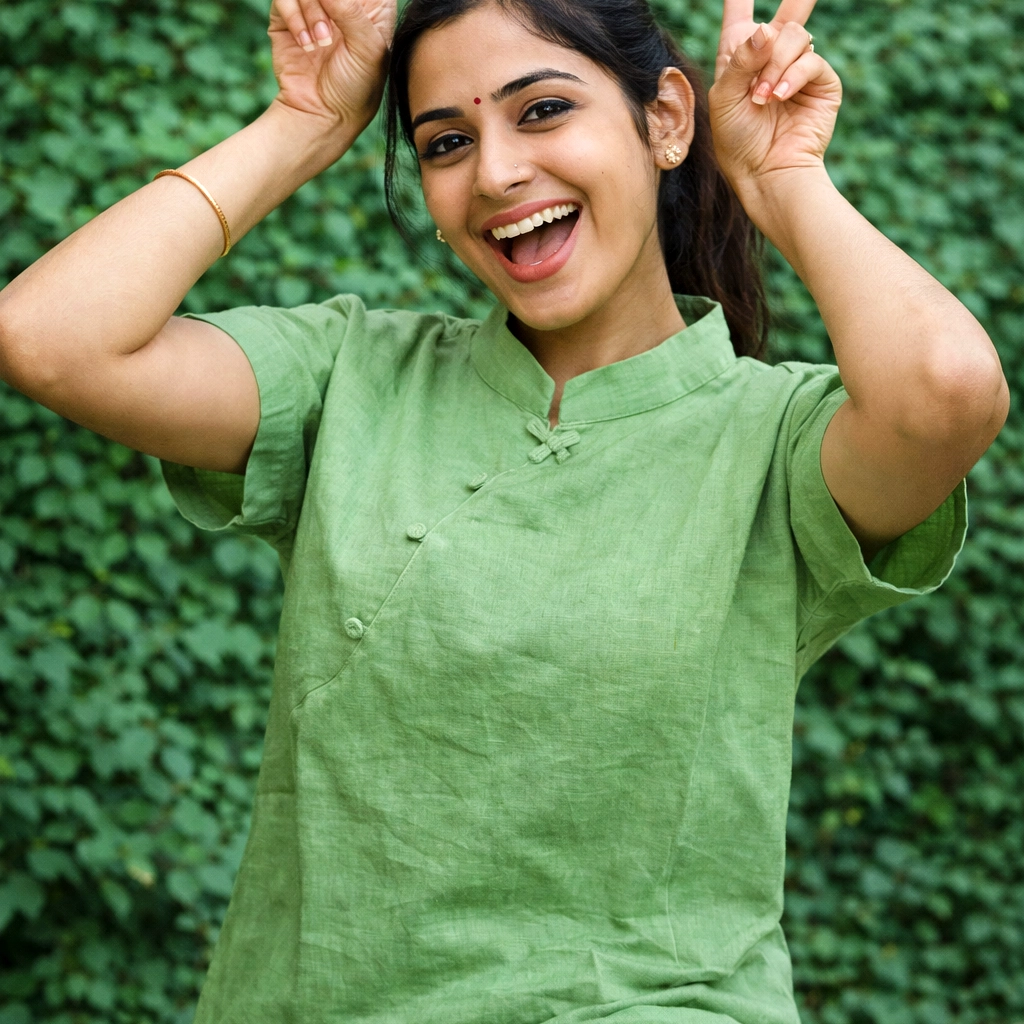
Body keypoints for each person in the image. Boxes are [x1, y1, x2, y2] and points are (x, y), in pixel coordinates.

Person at [0, 0, 1008, 1018]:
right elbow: (50, 337)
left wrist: (780, 181)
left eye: (542, 110)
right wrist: (299, 122)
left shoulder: (773, 441)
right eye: (445, 141)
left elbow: (946, 392)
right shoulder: (350, 380)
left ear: (665, 118)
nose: (494, 174)